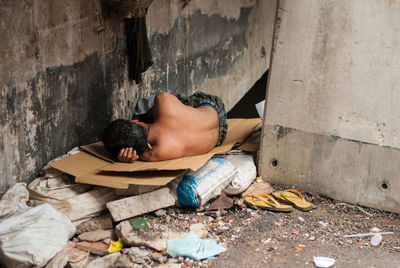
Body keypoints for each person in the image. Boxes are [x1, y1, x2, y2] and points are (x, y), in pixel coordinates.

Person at [102, 92, 227, 162]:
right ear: (135, 121)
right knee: (173, 102)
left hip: (218, 137)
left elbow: (136, 155)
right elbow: (148, 114)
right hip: (215, 109)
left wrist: (126, 158)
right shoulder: (163, 99)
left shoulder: (157, 153)